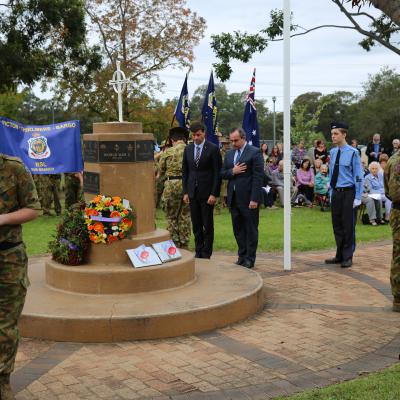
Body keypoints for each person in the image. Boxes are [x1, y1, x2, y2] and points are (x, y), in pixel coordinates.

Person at [0, 154, 40, 400]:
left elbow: (33, 208)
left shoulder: (13, 168)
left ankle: (2, 379)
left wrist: (3, 218)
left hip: (8, 259)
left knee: (5, 325)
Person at [221, 127, 264, 269]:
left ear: (243, 138)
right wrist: (232, 171)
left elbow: (258, 178)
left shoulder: (254, 152)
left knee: (250, 229)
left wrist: (254, 199)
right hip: (233, 199)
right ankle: (242, 256)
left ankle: (250, 259)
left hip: (248, 199)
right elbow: (222, 173)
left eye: (236, 140)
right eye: (231, 140)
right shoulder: (229, 154)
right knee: (238, 229)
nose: (233, 143)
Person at [325, 122, 363, 268]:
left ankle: (348, 256)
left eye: (336, 134)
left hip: (348, 192)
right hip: (336, 192)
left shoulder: (353, 153)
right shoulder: (333, 152)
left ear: (344, 134)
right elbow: (331, 173)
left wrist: (358, 197)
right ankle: (339, 254)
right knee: (337, 225)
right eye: (332, 134)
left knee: (348, 225)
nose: (333, 136)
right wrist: (330, 192)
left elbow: (358, 175)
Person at [182, 122, 222, 259]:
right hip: (192, 192)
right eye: (193, 135)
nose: (196, 137)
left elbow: (217, 173)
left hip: (207, 194)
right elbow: (185, 172)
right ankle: (198, 251)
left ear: (204, 133)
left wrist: (214, 193)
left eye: (198, 134)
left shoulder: (213, 149)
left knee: (207, 225)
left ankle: (206, 252)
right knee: (196, 224)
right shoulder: (187, 149)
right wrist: (185, 192)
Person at [158, 127, 191, 248]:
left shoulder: (168, 152)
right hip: (188, 186)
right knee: (185, 215)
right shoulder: (191, 150)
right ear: (184, 139)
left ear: (172, 140)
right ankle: (185, 243)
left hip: (171, 185)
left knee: (171, 216)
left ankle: (174, 244)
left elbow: (160, 173)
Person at [384, 150, 400, 312]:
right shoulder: (394, 160)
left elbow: (387, 190)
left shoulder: (392, 159)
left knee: (398, 254)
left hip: (397, 212)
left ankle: (398, 298)